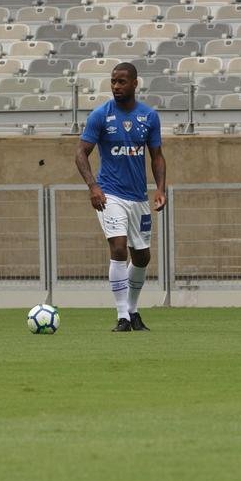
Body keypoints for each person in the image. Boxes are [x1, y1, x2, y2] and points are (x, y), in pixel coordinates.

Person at [75, 63, 167, 332]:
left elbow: (157, 157)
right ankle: (122, 316)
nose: (116, 86)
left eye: (122, 81)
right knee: (118, 248)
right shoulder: (100, 115)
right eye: (113, 81)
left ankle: (132, 311)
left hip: (138, 198)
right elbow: (80, 153)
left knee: (142, 257)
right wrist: (93, 187)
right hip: (110, 194)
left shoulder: (149, 117)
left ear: (135, 83)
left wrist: (160, 189)